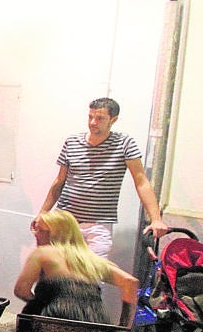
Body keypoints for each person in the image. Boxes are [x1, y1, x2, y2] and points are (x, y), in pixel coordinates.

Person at [14, 209, 138, 332]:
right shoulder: (89, 259)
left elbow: (21, 290)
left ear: (53, 232)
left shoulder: (43, 253)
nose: (35, 233)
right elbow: (130, 283)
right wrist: (123, 327)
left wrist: (43, 305)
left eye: (39, 229)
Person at [35, 97, 169, 257]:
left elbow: (141, 182)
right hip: (65, 218)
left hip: (98, 223)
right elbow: (59, 182)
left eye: (99, 118)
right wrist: (43, 212)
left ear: (113, 120)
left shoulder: (124, 144)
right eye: (90, 117)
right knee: (58, 273)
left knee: (92, 274)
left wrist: (156, 219)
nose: (93, 122)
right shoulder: (72, 142)